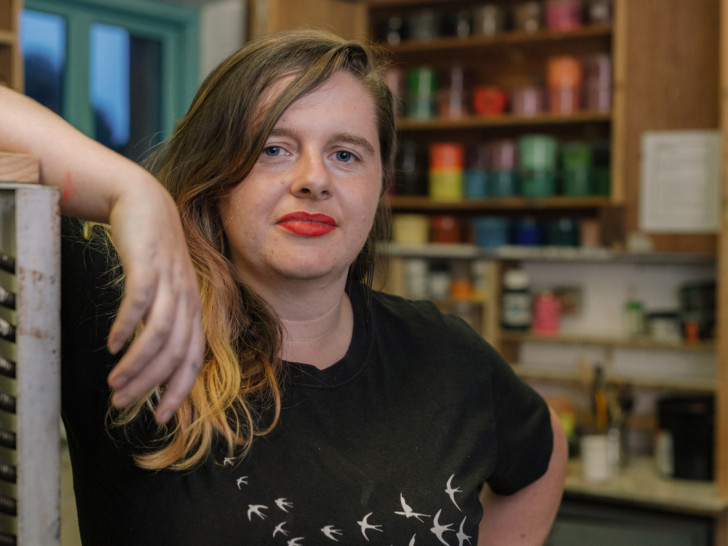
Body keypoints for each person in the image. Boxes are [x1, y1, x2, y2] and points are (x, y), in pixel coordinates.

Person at [0, 29, 566, 545]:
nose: (314, 180)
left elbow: (541, 457)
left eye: (346, 155)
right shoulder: (128, 307)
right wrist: (131, 191)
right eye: (275, 149)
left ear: (380, 185)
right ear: (216, 172)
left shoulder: (444, 355)